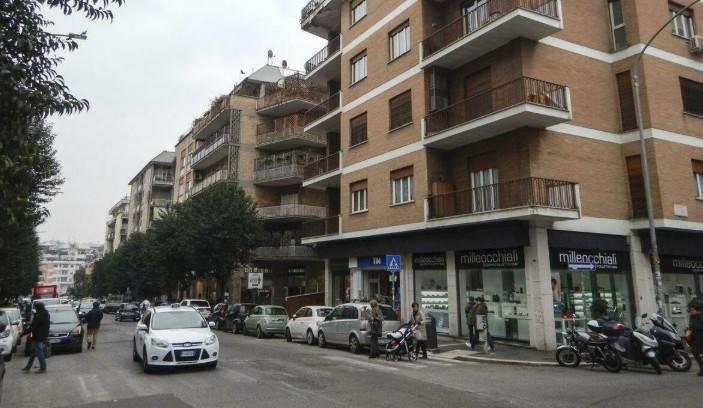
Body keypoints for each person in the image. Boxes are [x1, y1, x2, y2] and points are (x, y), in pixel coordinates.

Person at [22, 301, 49, 373]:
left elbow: (33, 326)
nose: (35, 309)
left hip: (37, 336)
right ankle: (28, 367)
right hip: (39, 335)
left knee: (39, 352)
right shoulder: (44, 314)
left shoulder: (39, 315)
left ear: (38, 308)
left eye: (35, 307)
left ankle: (43, 368)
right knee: (33, 352)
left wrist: (24, 333)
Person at [687, 299, 703, 376]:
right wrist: (688, 335)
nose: (690, 312)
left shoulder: (701, 317)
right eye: (689, 310)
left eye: (691, 310)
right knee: (695, 352)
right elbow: (690, 327)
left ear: (697, 310)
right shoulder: (692, 317)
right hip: (696, 338)